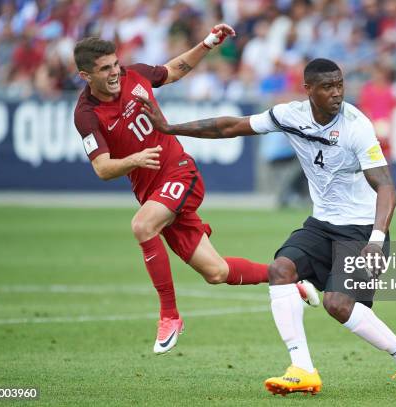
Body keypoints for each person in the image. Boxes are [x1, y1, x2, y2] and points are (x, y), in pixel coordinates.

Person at [137, 58, 396, 399]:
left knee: (337, 304)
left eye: (340, 85)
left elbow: (387, 187)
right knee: (281, 269)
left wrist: (377, 241)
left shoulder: (356, 126)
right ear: (309, 90)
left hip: (362, 231)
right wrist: (170, 129)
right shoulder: (290, 115)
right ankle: (302, 368)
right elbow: (230, 127)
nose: (337, 93)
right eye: (327, 87)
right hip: (321, 224)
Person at [72, 28, 317, 355]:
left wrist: (207, 44)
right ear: (85, 75)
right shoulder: (86, 115)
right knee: (216, 272)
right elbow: (102, 168)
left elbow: (174, 70)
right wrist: (135, 160)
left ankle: (170, 316)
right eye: (105, 69)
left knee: (142, 226)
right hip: (151, 192)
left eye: (115, 64)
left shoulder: (137, 75)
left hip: (179, 172)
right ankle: (292, 279)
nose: (115, 72)